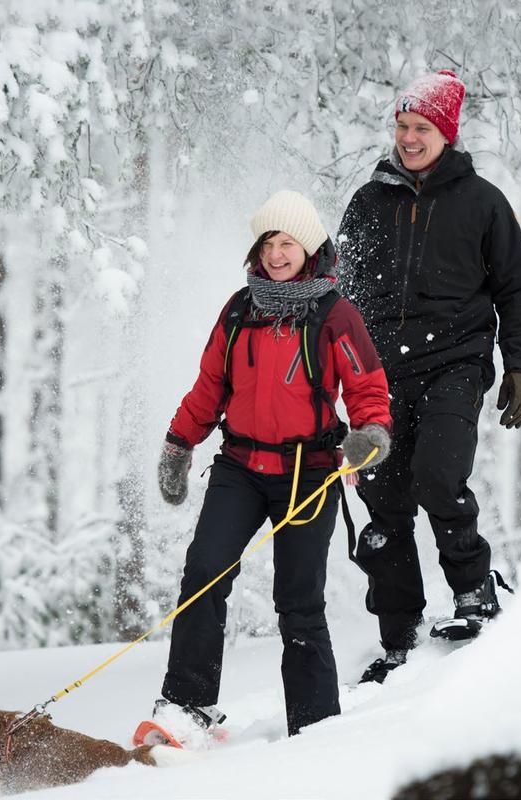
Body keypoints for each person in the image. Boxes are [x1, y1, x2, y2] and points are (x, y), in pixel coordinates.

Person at [154, 190, 392, 739]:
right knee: (203, 576)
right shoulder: (239, 309)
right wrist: (178, 443)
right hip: (238, 468)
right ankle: (186, 707)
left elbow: (367, 389)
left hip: (308, 472)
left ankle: (313, 727)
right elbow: (210, 387)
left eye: (287, 242)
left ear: (309, 248)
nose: (276, 253)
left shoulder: (335, 315)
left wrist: (368, 437)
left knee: (298, 601)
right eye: (267, 242)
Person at [338, 70, 521, 684]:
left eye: (420, 128)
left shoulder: (481, 201)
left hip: (456, 360)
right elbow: (339, 295)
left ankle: (474, 588)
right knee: (382, 494)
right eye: (401, 127)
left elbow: (518, 289)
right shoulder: (371, 200)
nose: (407, 138)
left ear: (446, 133)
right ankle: (398, 629)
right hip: (378, 372)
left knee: (436, 474)